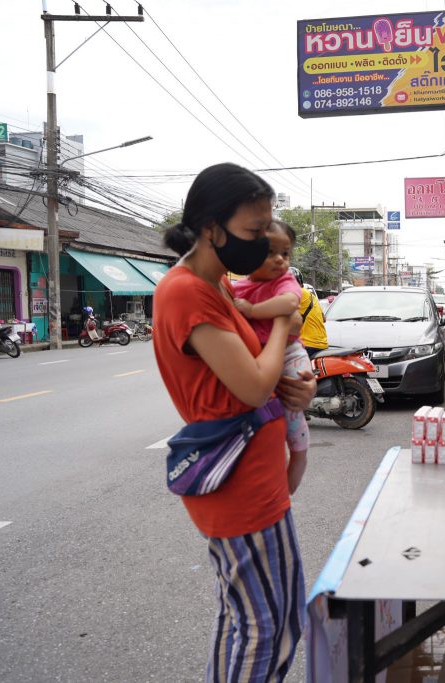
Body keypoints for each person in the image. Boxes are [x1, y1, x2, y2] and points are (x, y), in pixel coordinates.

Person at [154, 163, 316, 682]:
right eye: (253, 231)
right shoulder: (186, 292)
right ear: (211, 228)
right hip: (237, 485)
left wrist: (302, 386)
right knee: (266, 627)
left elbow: (259, 377)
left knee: (262, 618)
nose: (262, 243)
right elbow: (252, 386)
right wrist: (283, 324)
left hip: (258, 476)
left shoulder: (217, 283)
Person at [231, 221, 311, 495]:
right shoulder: (237, 288)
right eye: (270, 252)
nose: (279, 259)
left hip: (288, 355)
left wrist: (252, 311)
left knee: (292, 413)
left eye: (285, 253)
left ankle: (287, 490)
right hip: (260, 361)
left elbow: (290, 304)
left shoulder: (284, 281)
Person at [289, 267, 329, 359]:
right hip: (321, 343)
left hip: (308, 344)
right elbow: (323, 319)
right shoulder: (311, 296)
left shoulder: (298, 293)